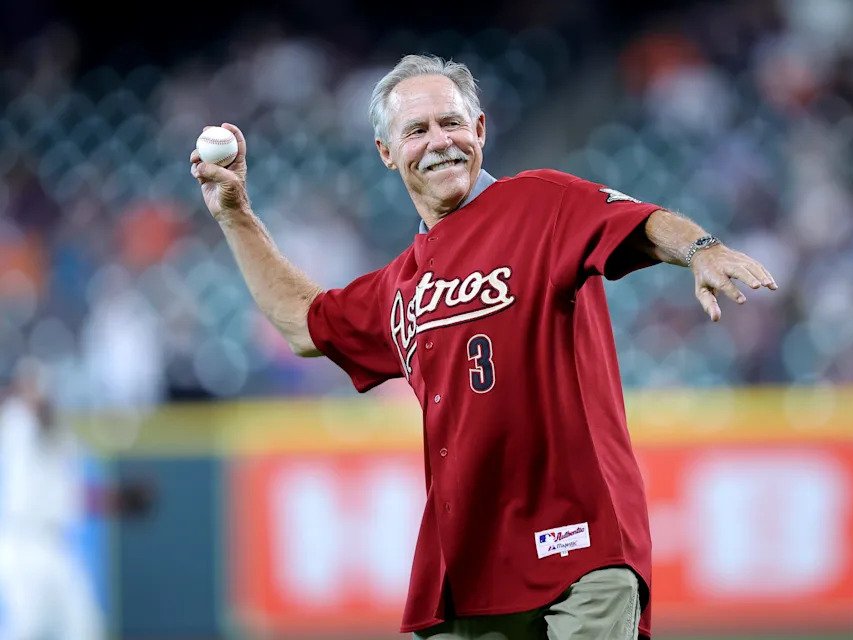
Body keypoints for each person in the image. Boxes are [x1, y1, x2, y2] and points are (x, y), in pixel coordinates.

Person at [190, 54, 777, 640]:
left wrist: (700, 249)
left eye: (451, 122)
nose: (439, 141)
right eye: (417, 130)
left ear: (480, 130)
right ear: (387, 153)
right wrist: (235, 214)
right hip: (467, 566)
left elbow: (643, 223)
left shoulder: (542, 203)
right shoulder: (400, 285)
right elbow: (303, 324)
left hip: (581, 545)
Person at [0, 358, 105, 640]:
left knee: (84, 626)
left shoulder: (59, 430)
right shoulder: (15, 421)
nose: (35, 393)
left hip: (57, 543)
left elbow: (74, 488)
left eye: (39, 386)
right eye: (29, 386)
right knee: (26, 627)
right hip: (22, 542)